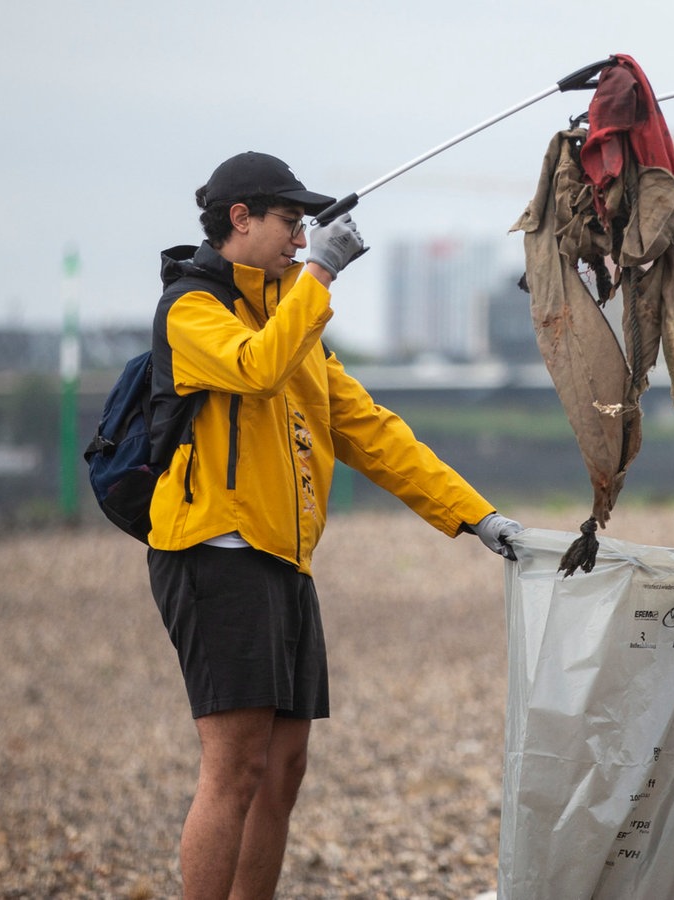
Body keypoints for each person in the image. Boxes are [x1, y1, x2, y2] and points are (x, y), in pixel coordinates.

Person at [144, 150, 523, 900]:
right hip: (215, 552)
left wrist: (476, 517)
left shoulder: (295, 313)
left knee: (283, 769)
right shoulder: (191, 308)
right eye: (290, 222)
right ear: (239, 219)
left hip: (284, 558)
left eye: (303, 227)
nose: (300, 236)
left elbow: (371, 431)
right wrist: (320, 275)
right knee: (235, 767)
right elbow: (256, 367)